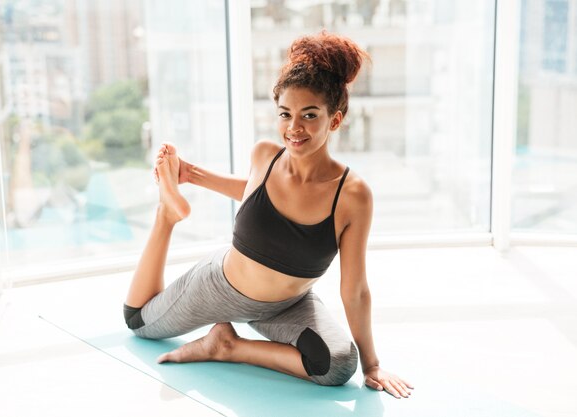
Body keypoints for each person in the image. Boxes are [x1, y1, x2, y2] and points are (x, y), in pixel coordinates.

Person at [124, 30, 414, 398]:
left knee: (339, 365)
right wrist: (191, 175)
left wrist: (372, 365)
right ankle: (167, 214)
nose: (294, 128)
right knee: (137, 320)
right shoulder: (265, 155)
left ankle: (227, 346)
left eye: (309, 115)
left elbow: (355, 290)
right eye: (285, 114)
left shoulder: (353, 195)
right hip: (219, 290)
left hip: (289, 305)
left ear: (335, 120)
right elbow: (253, 192)